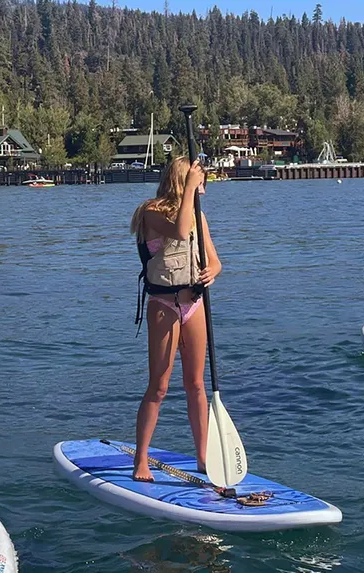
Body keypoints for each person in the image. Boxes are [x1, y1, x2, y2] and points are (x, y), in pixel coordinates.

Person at [130, 157, 221, 482]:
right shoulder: (151, 212)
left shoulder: (199, 216)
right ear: (183, 181)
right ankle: (141, 459)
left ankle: (202, 456)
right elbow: (180, 231)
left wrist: (213, 270)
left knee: (196, 384)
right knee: (159, 386)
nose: (203, 186)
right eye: (198, 180)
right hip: (163, 305)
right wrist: (190, 190)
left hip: (193, 304)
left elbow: (215, 260)